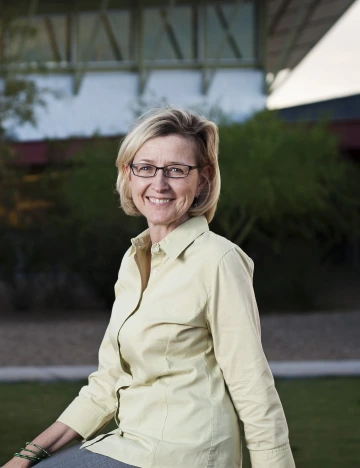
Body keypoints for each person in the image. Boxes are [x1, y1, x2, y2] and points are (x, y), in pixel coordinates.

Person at [3, 108, 296, 468]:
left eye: (176, 170)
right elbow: (105, 386)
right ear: (128, 174)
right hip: (129, 444)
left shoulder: (219, 260)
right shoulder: (134, 260)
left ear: (202, 179)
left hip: (184, 454)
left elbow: (252, 384)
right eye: (145, 167)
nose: (159, 184)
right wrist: (26, 456)